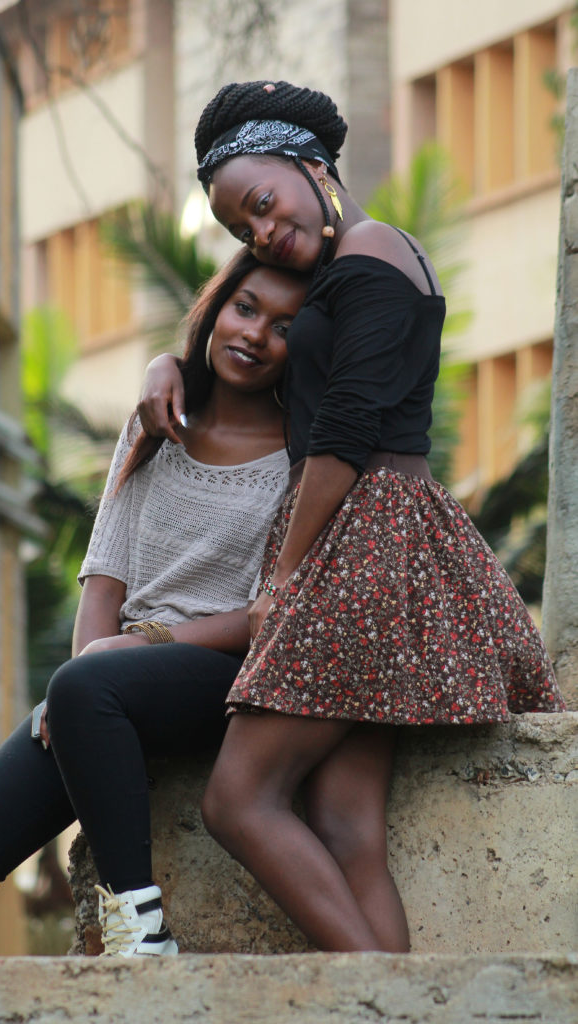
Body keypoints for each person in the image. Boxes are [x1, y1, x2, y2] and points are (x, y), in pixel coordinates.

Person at [137, 80, 566, 954]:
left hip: (361, 540)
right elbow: (242, 337)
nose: (259, 231)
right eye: (239, 228)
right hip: (378, 539)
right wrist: (163, 362)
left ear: (310, 165)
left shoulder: (370, 250)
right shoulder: (343, 265)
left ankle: (376, 1000)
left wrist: (291, 576)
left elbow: (343, 432)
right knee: (341, 818)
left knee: (238, 799)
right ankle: (401, 1005)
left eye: (260, 203)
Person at [0, 249, 309, 960]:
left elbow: (264, 615)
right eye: (245, 309)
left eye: (284, 326)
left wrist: (137, 647)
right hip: (108, 682)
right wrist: (80, 680)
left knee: (88, 683)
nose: (255, 334)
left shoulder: (299, 456)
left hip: (220, 672)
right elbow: (105, 579)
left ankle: (137, 928)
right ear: (216, 310)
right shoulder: (157, 423)